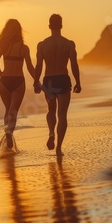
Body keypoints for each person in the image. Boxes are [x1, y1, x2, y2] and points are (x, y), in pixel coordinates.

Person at [33, 14, 81, 157]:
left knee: (51, 110)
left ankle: (50, 133)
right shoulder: (69, 44)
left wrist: (36, 82)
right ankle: (58, 148)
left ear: (49, 26)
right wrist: (78, 81)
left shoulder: (42, 45)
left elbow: (39, 65)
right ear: (61, 26)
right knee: (62, 115)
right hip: (62, 79)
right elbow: (73, 64)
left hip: (49, 81)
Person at [0, 19, 36, 149]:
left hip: (4, 81)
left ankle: (7, 131)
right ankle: (9, 133)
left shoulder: (4, 47)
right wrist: (36, 80)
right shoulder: (24, 48)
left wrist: (0, 72)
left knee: (7, 110)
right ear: (19, 31)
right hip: (18, 81)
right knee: (14, 111)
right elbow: (29, 67)